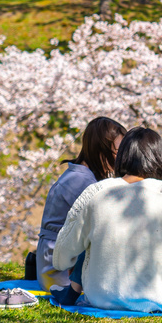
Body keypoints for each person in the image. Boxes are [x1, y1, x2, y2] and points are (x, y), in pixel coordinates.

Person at [52, 127, 162, 312]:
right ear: (159, 158)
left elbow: (61, 259)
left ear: (122, 155)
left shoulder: (95, 191)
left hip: (99, 297)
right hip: (155, 298)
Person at [36, 117, 126, 295]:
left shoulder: (80, 174)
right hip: (59, 269)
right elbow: (102, 227)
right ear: (99, 149)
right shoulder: (81, 180)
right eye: (117, 152)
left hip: (56, 258)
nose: (121, 158)